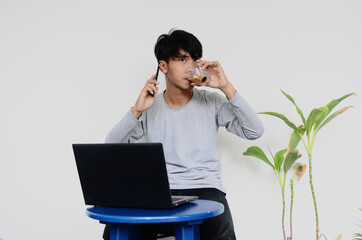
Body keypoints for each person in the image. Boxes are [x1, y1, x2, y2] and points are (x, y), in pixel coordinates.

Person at [103, 29, 264, 240]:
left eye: (195, 59)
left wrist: (225, 86)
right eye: (182, 59)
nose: (191, 66)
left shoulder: (211, 101)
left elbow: (254, 130)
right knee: (116, 229)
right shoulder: (150, 107)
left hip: (205, 189)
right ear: (163, 66)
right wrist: (137, 110)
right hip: (160, 192)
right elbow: (110, 149)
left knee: (221, 228)